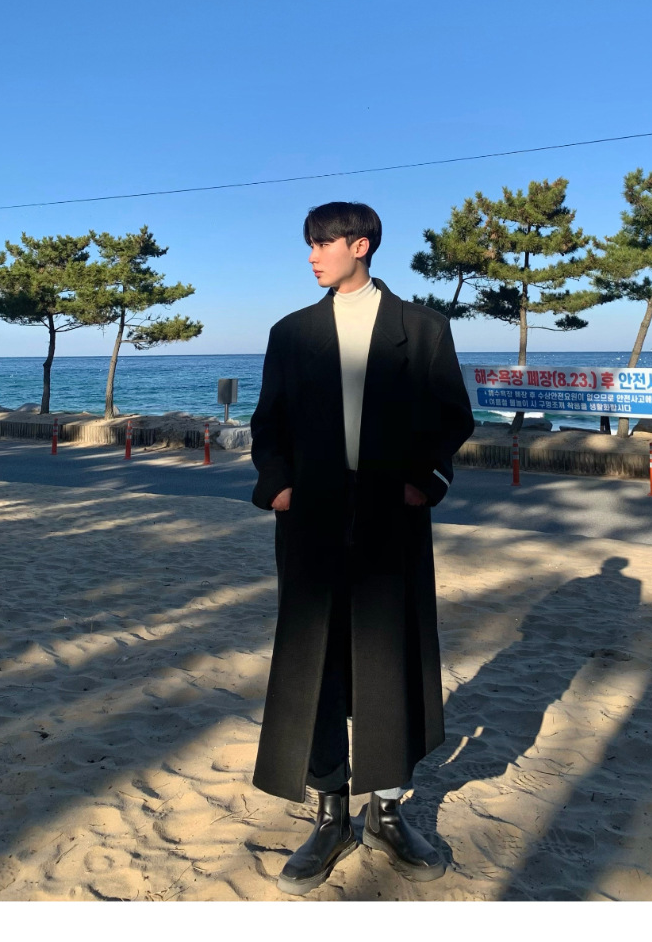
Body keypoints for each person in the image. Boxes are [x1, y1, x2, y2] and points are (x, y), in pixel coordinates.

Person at [250, 201, 474, 895]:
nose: (312, 255)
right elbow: (268, 422)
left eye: (324, 243)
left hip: (390, 513)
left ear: (361, 245)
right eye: (310, 244)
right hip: (310, 514)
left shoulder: (422, 327)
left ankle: (386, 812)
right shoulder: (292, 332)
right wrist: (278, 487)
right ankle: (329, 815)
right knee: (314, 659)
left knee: (389, 656)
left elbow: (453, 417)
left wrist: (426, 483)